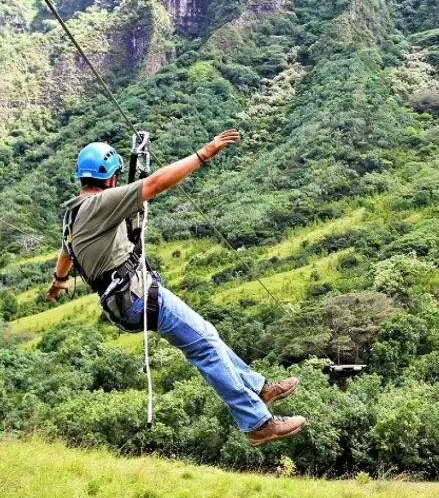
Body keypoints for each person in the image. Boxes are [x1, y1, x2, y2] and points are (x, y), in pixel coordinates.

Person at [45, 129, 306, 447]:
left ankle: (260, 387)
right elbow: (155, 183)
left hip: (124, 303)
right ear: (111, 179)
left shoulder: (72, 215)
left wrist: (58, 282)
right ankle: (256, 422)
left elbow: (65, 254)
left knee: (207, 335)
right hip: (139, 297)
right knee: (206, 348)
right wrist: (204, 153)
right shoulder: (102, 202)